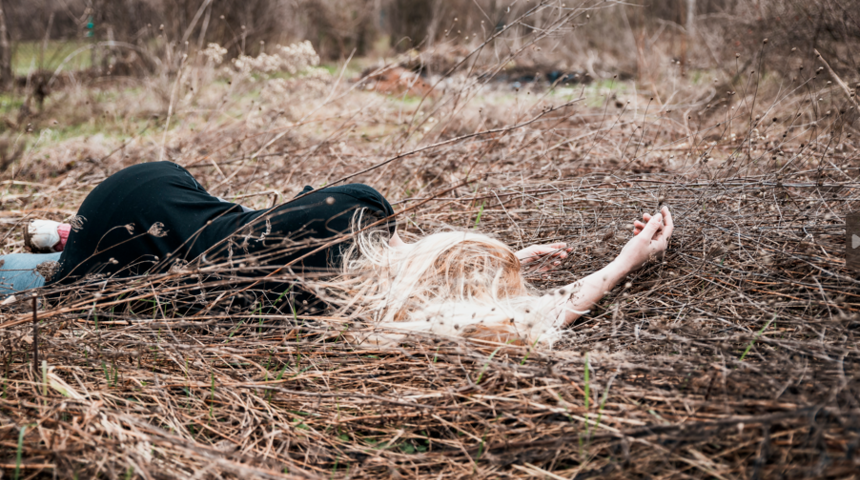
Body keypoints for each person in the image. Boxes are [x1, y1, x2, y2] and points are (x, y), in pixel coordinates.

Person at [0, 161, 674, 348]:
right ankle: (70, 246)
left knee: (105, 274)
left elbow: (408, 259)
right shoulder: (373, 306)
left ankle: (68, 240)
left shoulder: (363, 221)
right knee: (95, 292)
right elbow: (543, 317)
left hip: (156, 193)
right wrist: (622, 265)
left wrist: (506, 261)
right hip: (152, 237)